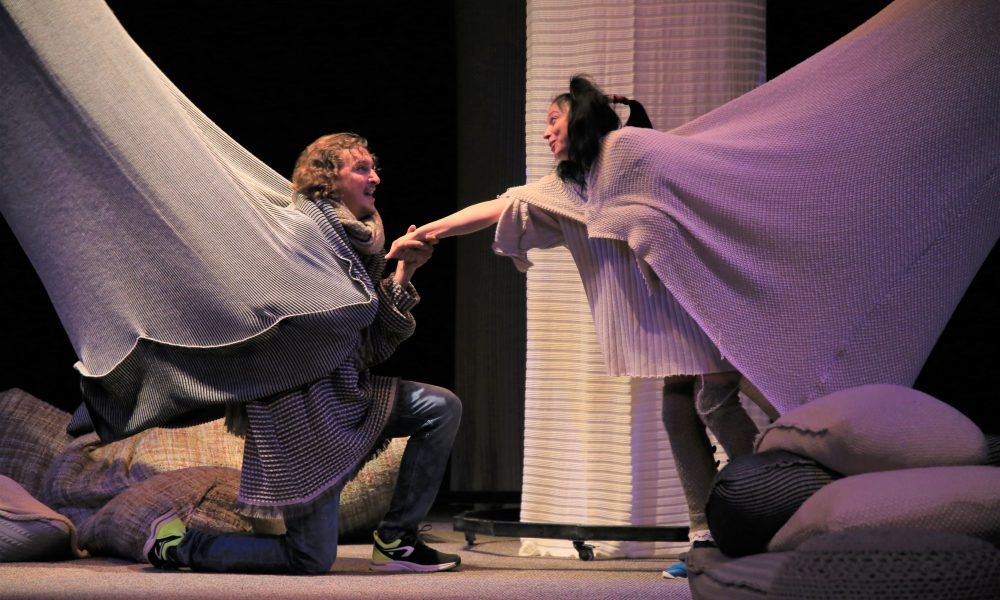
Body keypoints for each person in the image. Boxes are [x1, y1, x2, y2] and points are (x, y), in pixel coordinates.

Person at [388, 76, 760, 578]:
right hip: (674, 316)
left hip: (703, 296)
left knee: (715, 400)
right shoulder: (567, 188)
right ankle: (707, 535)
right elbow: (499, 208)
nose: (546, 133)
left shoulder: (628, 150)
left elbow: (699, 181)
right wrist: (429, 232)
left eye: (553, 120)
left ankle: (773, 509)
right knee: (678, 409)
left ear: (580, 119)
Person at [143, 133, 463, 574]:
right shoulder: (295, 234)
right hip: (296, 408)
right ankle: (178, 545)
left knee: (441, 407)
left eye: (373, 167)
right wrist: (366, 298)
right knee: (310, 557)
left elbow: (365, 344)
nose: (375, 177)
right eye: (361, 168)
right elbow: (275, 311)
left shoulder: (358, 242)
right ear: (327, 180)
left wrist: (404, 271)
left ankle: (397, 541)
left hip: (342, 391)